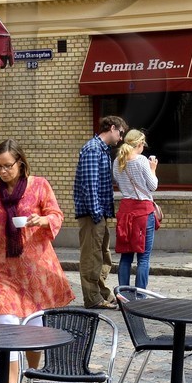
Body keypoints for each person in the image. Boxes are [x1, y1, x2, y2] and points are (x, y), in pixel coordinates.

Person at [0, 139, 73, 383]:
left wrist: (44, 219)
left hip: (36, 270)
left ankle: (35, 375)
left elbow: (57, 215)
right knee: (8, 330)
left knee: (34, 334)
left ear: (20, 163)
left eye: (7, 166)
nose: (3, 171)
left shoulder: (40, 186)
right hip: (3, 269)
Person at [73, 114, 126, 309]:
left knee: (103, 256)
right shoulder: (93, 149)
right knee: (91, 257)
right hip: (92, 215)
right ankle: (93, 299)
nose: (120, 138)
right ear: (112, 128)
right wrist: (96, 215)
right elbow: (89, 186)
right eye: (120, 133)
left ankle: (102, 293)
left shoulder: (103, 150)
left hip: (100, 213)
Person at [113, 128, 159, 292]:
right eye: (143, 145)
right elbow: (153, 186)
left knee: (126, 256)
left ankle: (123, 294)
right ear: (139, 144)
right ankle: (140, 296)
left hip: (125, 210)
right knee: (143, 257)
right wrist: (153, 169)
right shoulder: (141, 161)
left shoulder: (118, 160)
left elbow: (117, 181)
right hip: (142, 211)